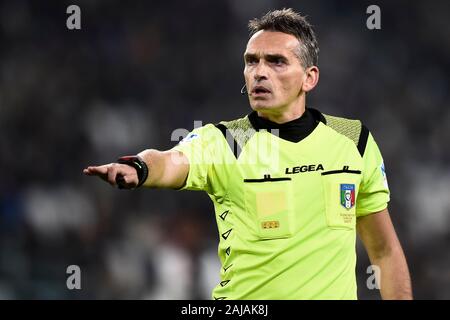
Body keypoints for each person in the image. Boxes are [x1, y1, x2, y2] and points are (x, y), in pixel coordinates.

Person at [84, 8, 412, 300]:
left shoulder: (353, 140)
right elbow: (171, 161)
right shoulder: (227, 141)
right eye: (251, 61)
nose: (259, 72)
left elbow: (383, 251)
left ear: (309, 78)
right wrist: (140, 167)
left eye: (276, 61)